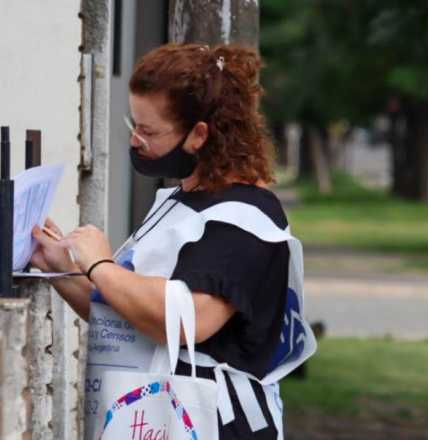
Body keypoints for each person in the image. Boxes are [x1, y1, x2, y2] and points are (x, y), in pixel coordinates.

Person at [31, 43, 316, 440]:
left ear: (199, 134)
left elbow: (189, 321)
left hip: (216, 424)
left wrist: (99, 265)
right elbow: (131, 316)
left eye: (148, 131)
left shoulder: (245, 217)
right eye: (133, 126)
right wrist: (59, 268)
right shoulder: (180, 200)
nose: (135, 142)